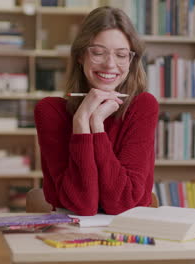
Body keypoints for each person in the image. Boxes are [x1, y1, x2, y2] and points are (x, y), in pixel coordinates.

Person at [34, 6, 159, 216]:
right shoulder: (50, 111)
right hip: (69, 236)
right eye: (98, 52)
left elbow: (121, 202)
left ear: (131, 61)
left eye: (121, 55)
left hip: (130, 234)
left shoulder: (142, 106)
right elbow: (82, 205)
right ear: (81, 56)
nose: (110, 64)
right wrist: (82, 121)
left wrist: (97, 125)